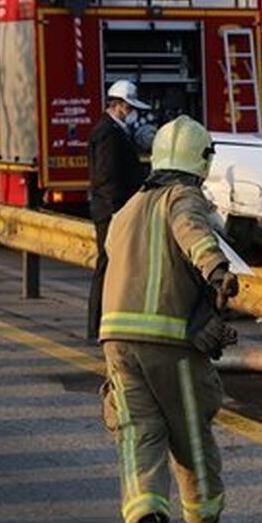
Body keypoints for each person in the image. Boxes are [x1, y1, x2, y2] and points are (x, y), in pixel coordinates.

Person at [99, 115, 240, 523]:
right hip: (169, 340)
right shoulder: (183, 197)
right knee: (190, 430)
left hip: (116, 338)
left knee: (139, 433)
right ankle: (202, 516)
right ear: (201, 160)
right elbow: (192, 231)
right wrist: (216, 268)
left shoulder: (128, 209)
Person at [87, 80, 149, 340]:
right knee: (108, 267)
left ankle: (104, 323)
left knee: (113, 267)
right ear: (119, 105)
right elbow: (106, 177)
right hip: (111, 212)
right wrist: (118, 212)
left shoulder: (114, 130)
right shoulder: (108, 133)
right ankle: (98, 324)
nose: (132, 112)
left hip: (112, 210)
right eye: (129, 107)